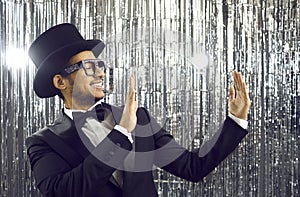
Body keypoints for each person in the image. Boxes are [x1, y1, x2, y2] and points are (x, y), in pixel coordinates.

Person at [26, 23, 251, 197]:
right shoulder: (43, 142)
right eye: (88, 67)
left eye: (100, 66)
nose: (101, 74)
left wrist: (235, 121)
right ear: (60, 82)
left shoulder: (138, 118)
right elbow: (63, 192)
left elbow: (193, 168)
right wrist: (121, 134)